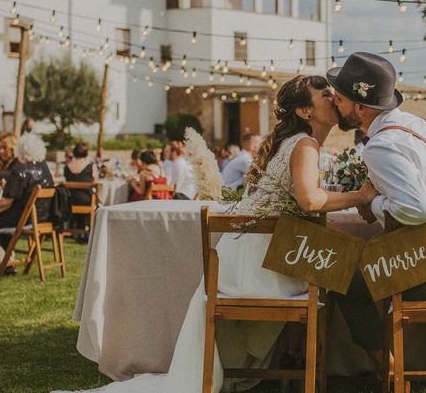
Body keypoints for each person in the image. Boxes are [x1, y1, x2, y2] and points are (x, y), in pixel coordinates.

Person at [71, 75, 377, 393]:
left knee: (344, 269)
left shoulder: (296, 143)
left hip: (244, 261)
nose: (334, 97)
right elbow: (310, 200)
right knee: (354, 275)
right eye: (325, 93)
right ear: (305, 112)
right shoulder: (305, 144)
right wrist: (362, 195)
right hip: (262, 268)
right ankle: (379, 365)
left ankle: (315, 361)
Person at [328, 52, 426, 378]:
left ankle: (388, 370)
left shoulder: (381, 145)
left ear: (360, 107)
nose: (335, 104)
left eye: (340, 99)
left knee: (344, 283)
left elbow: (420, 209)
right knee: (410, 252)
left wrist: (373, 205)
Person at [0, 134, 54, 279]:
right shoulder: (44, 168)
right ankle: (8, 263)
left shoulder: (20, 171)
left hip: (20, 219)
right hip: (41, 217)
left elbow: (5, 203)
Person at [64, 142, 98, 206]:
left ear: (74, 152)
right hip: (87, 199)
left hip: (69, 200)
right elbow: (95, 183)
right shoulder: (92, 167)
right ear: (86, 153)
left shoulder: (67, 167)